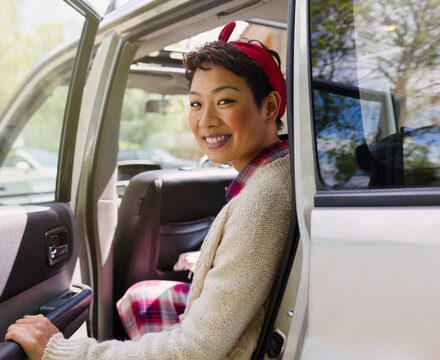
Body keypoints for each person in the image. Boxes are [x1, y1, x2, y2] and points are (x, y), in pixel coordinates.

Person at [4, 21, 291, 360]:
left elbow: (195, 350)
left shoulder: (261, 203)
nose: (206, 120)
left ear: (270, 107)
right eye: (196, 104)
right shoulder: (279, 174)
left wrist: (61, 350)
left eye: (225, 100)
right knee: (141, 294)